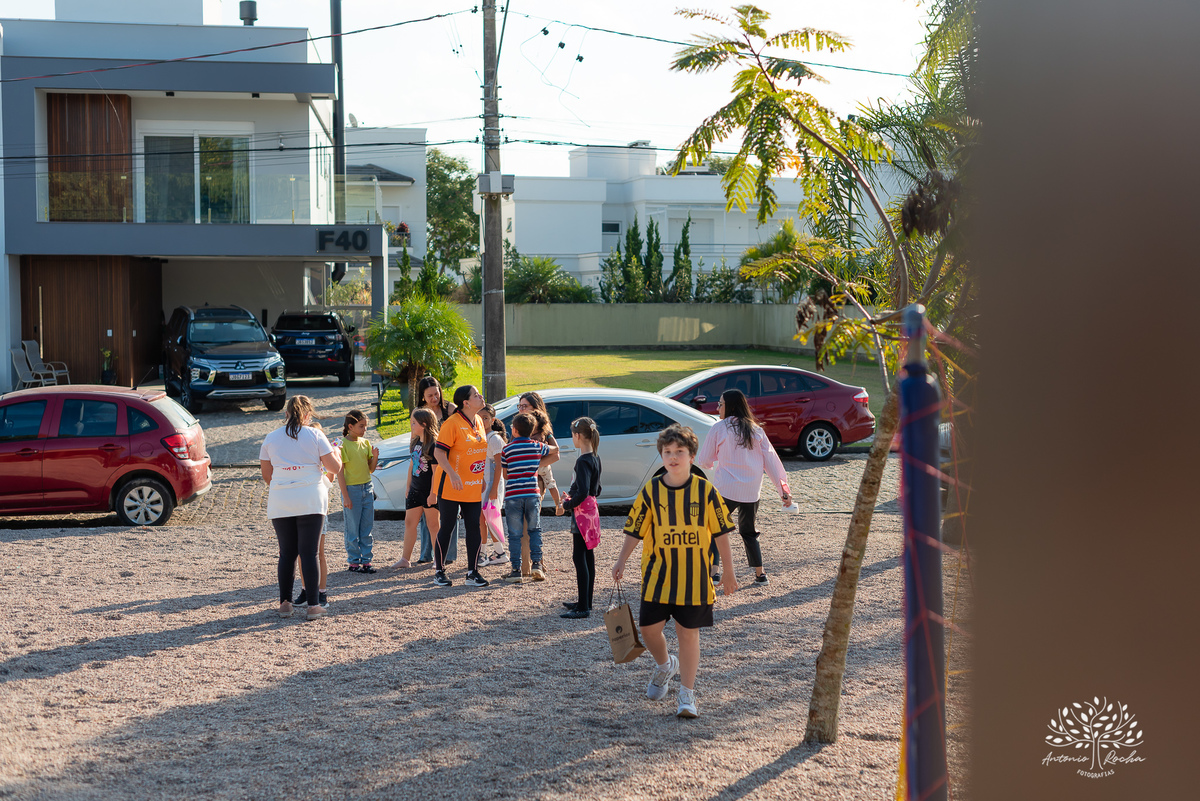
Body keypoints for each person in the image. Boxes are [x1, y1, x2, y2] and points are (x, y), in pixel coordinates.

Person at [613, 424, 737, 718]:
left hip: (694, 579)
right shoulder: (651, 491)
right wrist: (621, 560)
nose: (673, 457)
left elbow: (721, 534)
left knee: (688, 635)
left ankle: (687, 694)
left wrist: (729, 572)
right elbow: (635, 530)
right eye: (667, 452)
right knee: (648, 630)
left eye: (679, 451)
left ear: (692, 456)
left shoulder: (706, 491)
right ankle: (665, 665)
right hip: (658, 576)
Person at [696, 389, 791, 586]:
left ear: (729, 406)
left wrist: (715, 461)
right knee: (749, 531)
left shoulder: (719, 428)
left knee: (714, 528)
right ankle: (760, 574)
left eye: (720, 404)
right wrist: (784, 491)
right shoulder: (757, 430)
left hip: (726, 490)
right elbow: (772, 462)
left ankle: (714, 572)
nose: (717, 407)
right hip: (751, 491)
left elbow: (704, 460)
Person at [260, 395, 342, 621]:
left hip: (281, 498)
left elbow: (268, 476)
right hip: (310, 497)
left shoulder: (271, 437)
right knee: (309, 553)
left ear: (286, 414)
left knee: (286, 553)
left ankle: (285, 603)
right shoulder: (316, 434)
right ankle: (313, 605)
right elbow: (333, 467)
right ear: (308, 415)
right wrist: (337, 455)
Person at [430, 385, 490, 588]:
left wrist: (479, 477)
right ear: (465, 402)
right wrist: (453, 474)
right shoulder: (452, 424)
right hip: (451, 485)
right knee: (447, 526)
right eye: (476, 395)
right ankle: (439, 571)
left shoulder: (479, 420)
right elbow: (439, 453)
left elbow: (476, 453)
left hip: (472, 485)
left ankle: (472, 572)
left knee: (474, 526)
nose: (480, 396)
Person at [500, 413, 559, 584]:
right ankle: (537, 566)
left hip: (513, 496)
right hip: (533, 494)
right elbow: (555, 450)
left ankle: (516, 570)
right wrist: (548, 436)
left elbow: (505, 475)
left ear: (515, 430)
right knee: (535, 530)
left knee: (515, 534)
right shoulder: (537, 446)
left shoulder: (507, 449)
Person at [558, 417, 602, 619]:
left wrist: (568, 503)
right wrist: (574, 493)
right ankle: (586, 601)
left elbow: (583, 490)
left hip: (582, 513)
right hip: (592, 511)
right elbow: (596, 489)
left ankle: (583, 607)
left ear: (577, 436)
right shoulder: (595, 457)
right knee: (588, 555)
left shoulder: (582, 461)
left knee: (579, 556)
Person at [414, 376, 459, 565]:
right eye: (430, 395)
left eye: (437, 393)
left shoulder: (450, 410)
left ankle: (448, 554)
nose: (434, 398)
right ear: (423, 397)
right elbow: (414, 440)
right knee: (428, 510)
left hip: (449, 465)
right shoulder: (419, 413)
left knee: (449, 510)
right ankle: (427, 553)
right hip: (427, 466)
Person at [390, 409, 439, 569]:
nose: (411, 425)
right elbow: (412, 464)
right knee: (409, 522)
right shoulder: (415, 442)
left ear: (424, 424)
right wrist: (408, 486)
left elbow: (435, 473)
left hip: (428, 492)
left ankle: (439, 559)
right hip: (415, 490)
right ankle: (405, 559)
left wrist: (433, 494)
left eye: (414, 423)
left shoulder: (434, 445)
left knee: (433, 525)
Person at [338, 409, 380, 573]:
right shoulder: (342, 446)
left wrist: (375, 456)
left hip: (367, 487)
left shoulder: (366, 443)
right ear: (350, 426)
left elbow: (370, 469)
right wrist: (346, 496)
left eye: (366, 427)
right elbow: (340, 473)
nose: (364, 430)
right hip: (352, 490)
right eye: (361, 426)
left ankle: (367, 560)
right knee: (353, 527)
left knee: (366, 527)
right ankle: (354, 560)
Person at [479, 403, 508, 567]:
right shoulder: (481, 438)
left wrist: (494, 489)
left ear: (492, 419)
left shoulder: (494, 439)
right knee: (482, 519)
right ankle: (483, 552)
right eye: (480, 417)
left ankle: (499, 552)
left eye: (486, 418)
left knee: (490, 519)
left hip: (492, 486)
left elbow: (499, 465)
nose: (482, 421)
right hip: (482, 485)